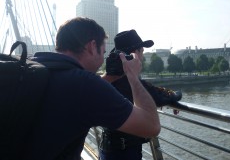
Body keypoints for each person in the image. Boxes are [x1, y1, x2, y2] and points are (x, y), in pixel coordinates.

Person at [25, 17, 160, 160]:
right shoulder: (85, 83)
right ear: (91, 46)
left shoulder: (32, 68)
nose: (102, 59)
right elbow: (152, 126)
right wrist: (133, 76)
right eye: (102, 52)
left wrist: (109, 77)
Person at [99, 29, 182, 160]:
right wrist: (174, 99)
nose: (142, 56)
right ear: (134, 54)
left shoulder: (105, 82)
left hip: (106, 149)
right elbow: (160, 96)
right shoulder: (133, 83)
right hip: (126, 153)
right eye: (142, 51)